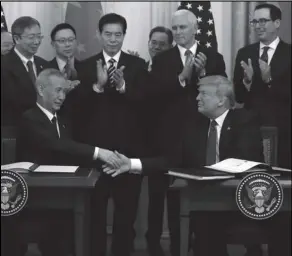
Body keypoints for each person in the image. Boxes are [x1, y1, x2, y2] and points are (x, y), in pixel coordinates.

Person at [103, 75, 266, 256]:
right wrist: (131, 164)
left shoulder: (245, 120)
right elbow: (172, 160)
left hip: (239, 198)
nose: (197, 98)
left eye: (203, 93)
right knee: (205, 230)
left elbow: (246, 159)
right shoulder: (193, 124)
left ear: (221, 100)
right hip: (205, 201)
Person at [12, 68, 120, 256]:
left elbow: (72, 149)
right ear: (41, 89)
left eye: (64, 91)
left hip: (62, 195)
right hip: (36, 199)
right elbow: (56, 145)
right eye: (58, 91)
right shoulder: (30, 118)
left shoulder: (61, 120)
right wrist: (98, 152)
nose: (62, 97)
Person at [75, 13, 148, 256]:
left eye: (118, 34)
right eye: (108, 34)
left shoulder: (138, 65)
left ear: (124, 36)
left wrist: (122, 87)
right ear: (99, 35)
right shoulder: (85, 66)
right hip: (95, 155)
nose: (113, 40)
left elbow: (146, 105)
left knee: (125, 220)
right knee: (94, 218)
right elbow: (78, 111)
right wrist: (97, 86)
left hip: (127, 155)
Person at [234, 3, 291, 169]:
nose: (258, 26)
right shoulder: (244, 53)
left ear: (277, 23)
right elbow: (238, 97)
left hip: (284, 130)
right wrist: (247, 83)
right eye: (255, 22)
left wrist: (269, 80)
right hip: (251, 130)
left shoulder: (289, 53)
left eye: (263, 21)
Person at [1, 16, 49, 126]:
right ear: (16, 39)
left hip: (43, 131)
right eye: (31, 37)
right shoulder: (4, 65)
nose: (36, 42)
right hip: (14, 131)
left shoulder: (45, 65)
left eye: (39, 37)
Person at [49, 23, 81, 119]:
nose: (67, 44)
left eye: (71, 40)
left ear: (76, 42)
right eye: (62, 41)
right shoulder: (46, 69)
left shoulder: (87, 67)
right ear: (53, 44)